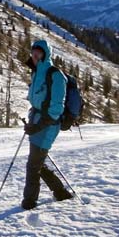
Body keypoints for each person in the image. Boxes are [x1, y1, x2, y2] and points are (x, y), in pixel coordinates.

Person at [21, 39, 74, 210]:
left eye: (39, 52)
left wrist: (38, 125)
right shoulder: (36, 72)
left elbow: (56, 109)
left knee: (33, 164)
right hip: (37, 122)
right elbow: (36, 100)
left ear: (46, 54)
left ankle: (29, 202)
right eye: (33, 52)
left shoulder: (55, 75)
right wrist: (32, 123)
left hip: (49, 125)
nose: (35, 55)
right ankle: (60, 192)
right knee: (38, 162)